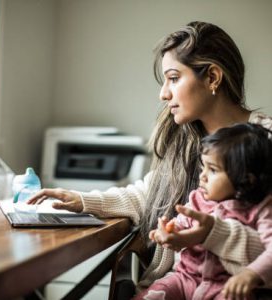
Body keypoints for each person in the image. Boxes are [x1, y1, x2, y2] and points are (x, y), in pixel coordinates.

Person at [27, 21, 272, 297]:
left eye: (174, 78)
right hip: (182, 285)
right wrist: (82, 200)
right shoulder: (187, 142)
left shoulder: (266, 144)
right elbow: (149, 196)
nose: (163, 93)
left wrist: (213, 235)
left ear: (213, 77)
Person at [138, 123, 272, 300]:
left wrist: (250, 274)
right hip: (185, 278)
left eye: (213, 170)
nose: (203, 176)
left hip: (226, 287)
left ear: (246, 179)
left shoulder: (262, 209)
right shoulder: (198, 198)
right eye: (203, 167)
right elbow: (181, 224)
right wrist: (170, 231)